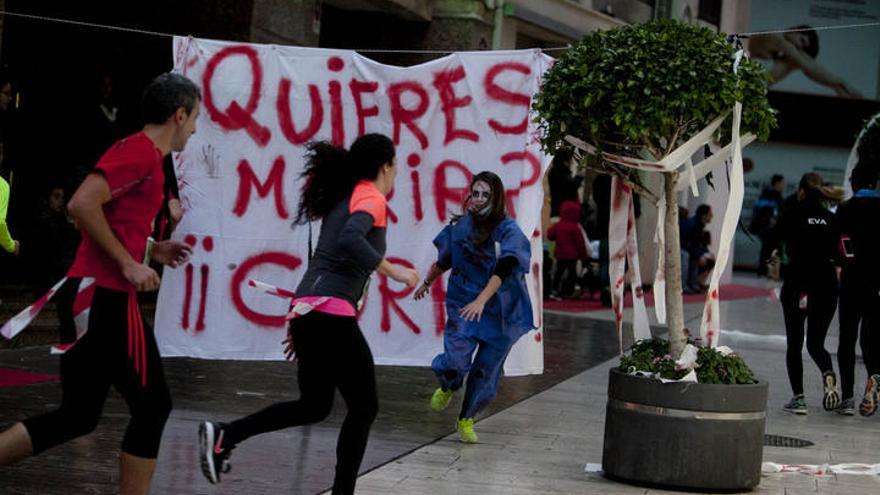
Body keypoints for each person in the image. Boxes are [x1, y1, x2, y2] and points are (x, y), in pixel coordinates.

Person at [0, 73, 198, 495]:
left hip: (91, 292)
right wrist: (128, 264)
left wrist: (150, 250)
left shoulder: (145, 156)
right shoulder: (141, 152)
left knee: (77, 415)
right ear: (179, 115)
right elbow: (81, 204)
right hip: (103, 296)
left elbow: (110, 219)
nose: (196, 129)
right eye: (195, 118)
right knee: (153, 405)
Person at [198, 134, 419, 494]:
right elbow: (350, 239)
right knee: (364, 408)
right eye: (396, 165)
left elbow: (330, 259)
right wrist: (394, 271)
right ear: (386, 166)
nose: (397, 174)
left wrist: (303, 325)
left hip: (309, 314)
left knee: (314, 405)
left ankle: (226, 435)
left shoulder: (344, 199)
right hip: (326, 317)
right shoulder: (371, 196)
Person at [415, 171, 534, 443]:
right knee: (456, 359)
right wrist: (427, 281)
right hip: (463, 302)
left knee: (485, 371)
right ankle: (449, 382)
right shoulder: (462, 228)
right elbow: (445, 259)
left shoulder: (508, 230)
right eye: (475, 193)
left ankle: (466, 418)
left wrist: (482, 300)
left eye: (485, 195)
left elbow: (505, 267)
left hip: (501, 311)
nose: (479, 199)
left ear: (496, 197)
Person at [777, 172, 843, 415]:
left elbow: (773, 239)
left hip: (798, 284)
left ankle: (799, 398)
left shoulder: (792, 213)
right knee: (816, 343)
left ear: (801, 191)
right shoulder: (832, 218)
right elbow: (842, 255)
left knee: (795, 343)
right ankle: (827, 373)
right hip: (826, 286)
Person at [835, 165, 880, 417]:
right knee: (872, 339)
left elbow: (842, 241)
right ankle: (874, 376)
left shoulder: (846, 208)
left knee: (847, 339)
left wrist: (846, 262)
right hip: (877, 285)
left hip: (853, 281)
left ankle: (848, 398)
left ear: (853, 183)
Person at [748, 26, 862, 98]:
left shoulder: (784, 51)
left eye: (802, 46)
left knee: (795, 62)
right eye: (801, 40)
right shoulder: (777, 39)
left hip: (755, 85)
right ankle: (840, 84)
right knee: (796, 61)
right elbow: (806, 64)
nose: (798, 45)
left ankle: (840, 85)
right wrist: (838, 82)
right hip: (748, 81)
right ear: (795, 30)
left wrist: (836, 84)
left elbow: (807, 66)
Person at [548, 199, 590, 299]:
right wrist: (583, 256)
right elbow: (580, 243)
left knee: (559, 272)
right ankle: (568, 290)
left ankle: (554, 289)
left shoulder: (558, 225)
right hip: (572, 256)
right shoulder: (575, 227)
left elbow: (550, 235)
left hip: (560, 254)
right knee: (572, 274)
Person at [751, 174, 785, 276]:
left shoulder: (776, 196)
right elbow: (764, 213)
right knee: (768, 251)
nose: (783, 185)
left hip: (772, 229)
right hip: (767, 228)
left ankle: (767, 271)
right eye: (782, 183)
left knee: (770, 251)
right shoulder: (769, 195)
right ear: (777, 183)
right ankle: (764, 271)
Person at [679, 204, 714, 293]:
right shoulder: (692, 225)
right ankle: (684, 285)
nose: (712, 216)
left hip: (687, 248)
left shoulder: (699, 226)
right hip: (680, 248)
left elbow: (697, 245)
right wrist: (699, 255)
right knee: (688, 256)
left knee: (708, 258)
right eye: (710, 214)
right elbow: (686, 244)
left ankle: (696, 283)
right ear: (703, 215)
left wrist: (705, 253)